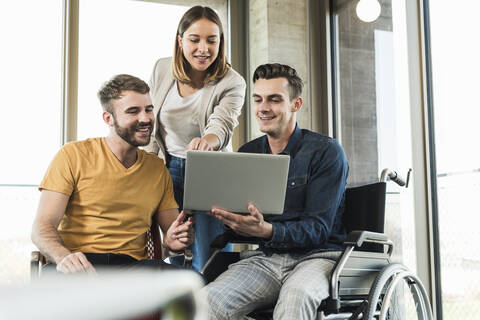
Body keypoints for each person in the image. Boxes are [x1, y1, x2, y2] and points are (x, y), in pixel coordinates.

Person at [204, 64, 349, 319]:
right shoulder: (248, 154)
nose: (263, 107)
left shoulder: (325, 152)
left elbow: (318, 229)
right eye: (258, 99)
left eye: (274, 99)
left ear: (296, 104)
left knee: (295, 298)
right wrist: (228, 219)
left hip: (318, 258)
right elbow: (241, 224)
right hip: (267, 259)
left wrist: (268, 230)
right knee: (204, 303)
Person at [31, 74, 194, 274]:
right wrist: (63, 257)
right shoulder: (72, 155)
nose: (145, 118)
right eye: (133, 111)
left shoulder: (157, 168)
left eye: (148, 110)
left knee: (195, 285)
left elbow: (171, 237)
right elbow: (42, 228)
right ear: (108, 118)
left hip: (133, 268)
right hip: (79, 264)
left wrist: (172, 241)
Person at [145, 5, 246, 271]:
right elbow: (154, 124)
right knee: (175, 247)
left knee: (207, 257)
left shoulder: (232, 82)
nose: (203, 49)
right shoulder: (162, 68)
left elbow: (222, 124)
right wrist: (144, 165)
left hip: (210, 172)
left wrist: (207, 142)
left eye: (212, 40)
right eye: (194, 40)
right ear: (180, 41)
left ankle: (209, 308)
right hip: (168, 169)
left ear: (220, 42)